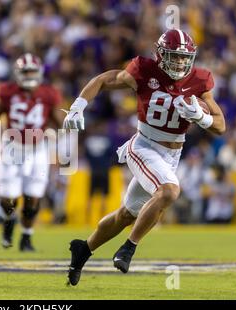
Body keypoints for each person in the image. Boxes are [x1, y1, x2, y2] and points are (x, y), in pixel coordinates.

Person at [63, 29, 226, 285]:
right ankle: (129, 247)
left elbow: (219, 125)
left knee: (127, 214)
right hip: (143, 145)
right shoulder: (144, 70)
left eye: (184, 58)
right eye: (174, 56)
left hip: (173, 153)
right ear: (160, 55)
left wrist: (199, 116)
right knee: (169, 191)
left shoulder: (200, 80)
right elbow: (106, 79)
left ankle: (83, 248)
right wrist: (78, 107)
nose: (180, 63)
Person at [0, 53, 63, 251]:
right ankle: (9, 220)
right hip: (11, 146)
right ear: (18, 73)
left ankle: (26, 237)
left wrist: (64, 130)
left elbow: (59, 122)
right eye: (26, 71)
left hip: (37, 148)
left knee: (33, 198)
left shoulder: (48, 93)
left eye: (32, 71)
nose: (29, 75)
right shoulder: (7, 91)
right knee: (7, 198)